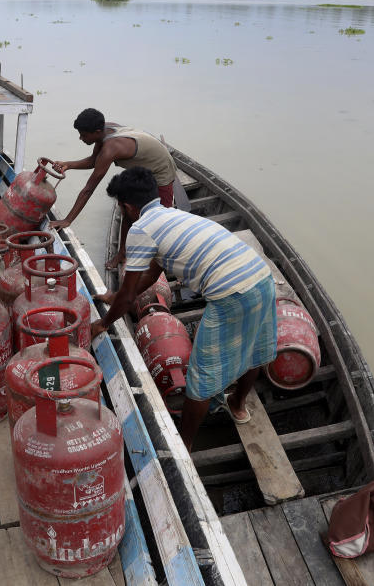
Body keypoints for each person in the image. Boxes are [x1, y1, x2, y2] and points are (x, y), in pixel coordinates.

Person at [90, 167, 276, 450]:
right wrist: (114, 295)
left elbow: (130, 295)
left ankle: (185, 445)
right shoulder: (172, 216)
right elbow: (151, 277)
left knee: (200, 377)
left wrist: (103, 323)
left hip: (231, 295)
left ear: (127, 206)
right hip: (261, 278)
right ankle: (237, 406)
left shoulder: (140, 229)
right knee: (255, 348)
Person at [45, 108, 177, 269]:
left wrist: (68, 220)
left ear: (97, 131)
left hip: (161, 170)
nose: (80, 138)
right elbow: (95, 160)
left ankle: (162, 261)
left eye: (84, 135)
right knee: (128, 212)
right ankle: (122, 253)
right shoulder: (104, 131)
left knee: (160, 222)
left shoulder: (110, 148)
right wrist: (69, 165)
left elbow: (88, 189)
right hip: (142, 169)